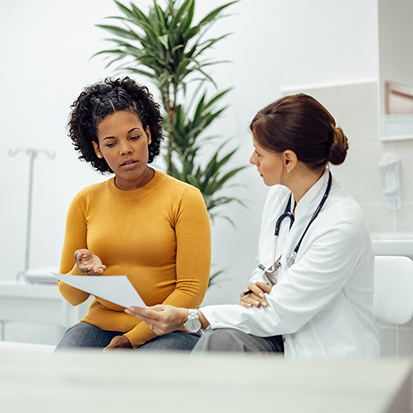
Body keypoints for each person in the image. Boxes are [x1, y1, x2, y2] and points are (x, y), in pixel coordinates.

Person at [126, 94, 381, 361]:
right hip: (281, 335)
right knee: (220, 341)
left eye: (259, 152)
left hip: (326, 354)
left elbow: (281, 312)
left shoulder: (342, 224)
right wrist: (254, 288)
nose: (252, 159)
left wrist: (191, 317)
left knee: (218, 343)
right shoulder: (280, 196)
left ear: (289, 160)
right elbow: (266, 269)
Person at [55, 77, 211, 351]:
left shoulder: (185, 198)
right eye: (111, 143)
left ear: (148, 135)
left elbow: (190, 292)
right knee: (66, 370)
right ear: (97, 150)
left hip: (169, 329)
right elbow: (70, 295)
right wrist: (82, 271)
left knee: (138, 381)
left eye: (134, 136)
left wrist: (131, 339)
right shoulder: (85, 201)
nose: (126, 149)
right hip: (100, 325)